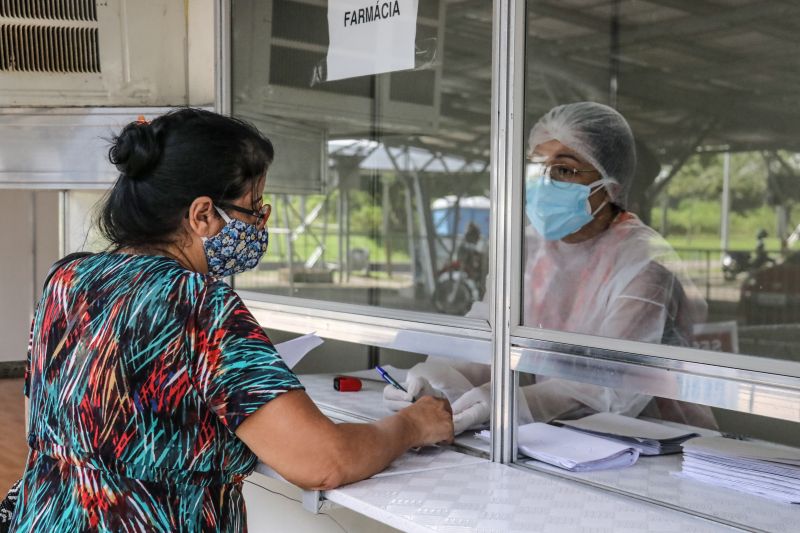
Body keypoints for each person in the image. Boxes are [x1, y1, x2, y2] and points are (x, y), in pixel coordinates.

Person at [12, 109, 453, 531]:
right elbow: (321, 461)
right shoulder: (197, 302)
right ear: (202, 214)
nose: (262, 222)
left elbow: (61, 415)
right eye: (253, 207)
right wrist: (412, 425)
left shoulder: (68, 278)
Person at [384, 102, 715, 434]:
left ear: (611, 187)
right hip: (557, 437)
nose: (544, 183)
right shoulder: (528, 249)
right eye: (537, 166)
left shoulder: (643, 262)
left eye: (565, 170)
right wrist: (437, 379)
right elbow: (487, 335)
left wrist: (513, 403)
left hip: (653, 443)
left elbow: (614, 386)